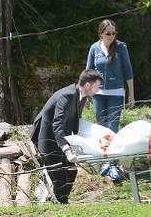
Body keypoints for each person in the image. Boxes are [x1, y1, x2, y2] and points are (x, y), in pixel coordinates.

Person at [30, 69, 104, 204]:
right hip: (47, 137)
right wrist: (66, 148)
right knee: (58, 176)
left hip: (61, 137)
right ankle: (60, 204)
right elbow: (57, 123)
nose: (98, 90)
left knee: (71, 170)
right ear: (88, 85)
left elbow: (75, 121)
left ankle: (61, 202)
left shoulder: (81, 97)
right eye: (97, 86)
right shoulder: (68, 95)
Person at [85, 19, 134, 181]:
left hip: (116, 93)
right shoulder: (94, 48)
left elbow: (128, 71)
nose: (111, 36)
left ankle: (112, 162)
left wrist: (131, 94)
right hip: (98, 94)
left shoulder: (121, 47)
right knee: (101, 127)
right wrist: (85, 95)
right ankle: (104, 161)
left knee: (112, 127)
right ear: (101, 34)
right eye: (108, 33)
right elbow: (89, 71)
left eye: (113, 33)